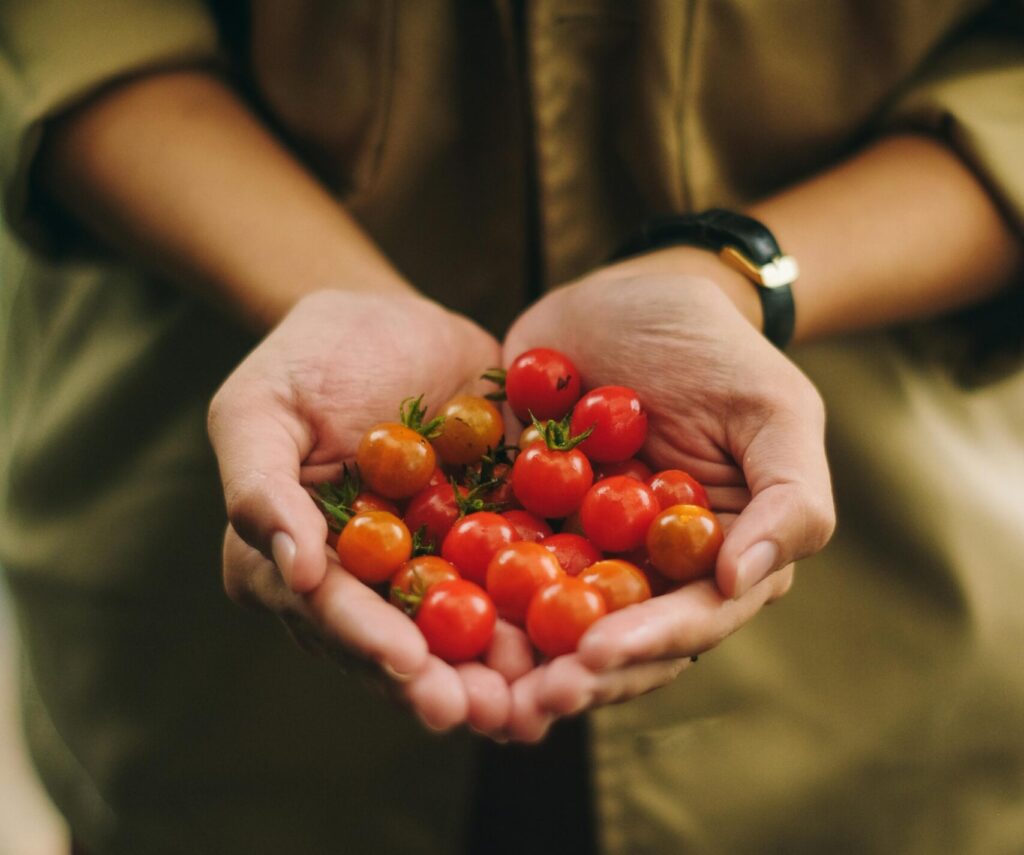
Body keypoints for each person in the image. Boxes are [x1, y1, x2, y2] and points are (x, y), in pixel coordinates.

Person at [1, 2, 1022, 853]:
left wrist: (729, 282)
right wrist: (329, 293)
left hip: (886, 636)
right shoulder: (470, 486)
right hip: (215, 684)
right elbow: (75, 23)